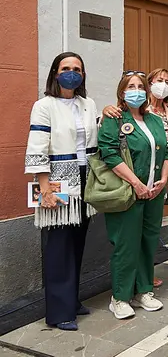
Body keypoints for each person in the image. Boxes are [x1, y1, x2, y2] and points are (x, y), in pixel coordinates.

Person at [25, 52, 99, 330]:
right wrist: (44, 188)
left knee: (77, 243)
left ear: (83, 74)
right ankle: (59, 312)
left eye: (77, 68)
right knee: (59, 247)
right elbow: (37, 147)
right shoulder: (44, 105)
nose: (72, 72)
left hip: (85, 180)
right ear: (56, 73)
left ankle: (72, 300)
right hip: (58, 180)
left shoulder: (87, 104)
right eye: (66, 68)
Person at [99, 72, 168, 320]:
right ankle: (119, 297)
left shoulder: (155, 120)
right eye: (131, 86)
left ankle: (144, 291)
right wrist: (137, 183)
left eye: (141, 86)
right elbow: (110, 155)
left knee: (148, 242)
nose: (137, 91)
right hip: (128, 193)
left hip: (154, 193)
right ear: (122, 92)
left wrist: (164, 179)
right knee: (126, 245)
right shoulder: (115, 119)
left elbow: (167, 152)